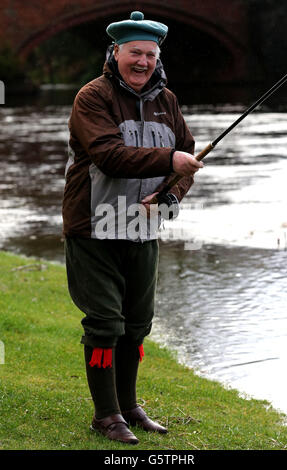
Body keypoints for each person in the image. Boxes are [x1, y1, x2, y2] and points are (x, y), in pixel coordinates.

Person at [62, 11, 203, 445]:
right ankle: (105, 416)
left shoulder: (169, 102)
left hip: (144, 227)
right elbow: (108, 155)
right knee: (105, 322)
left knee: (138, 324)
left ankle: (128, 406)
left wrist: (171, 195)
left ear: (157, 57)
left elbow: (189, 158)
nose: (142, 61)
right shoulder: (92, 97)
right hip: (95, 226)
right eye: (134, 53)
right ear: (116, 53)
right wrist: (169, 161)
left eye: (150, 54)